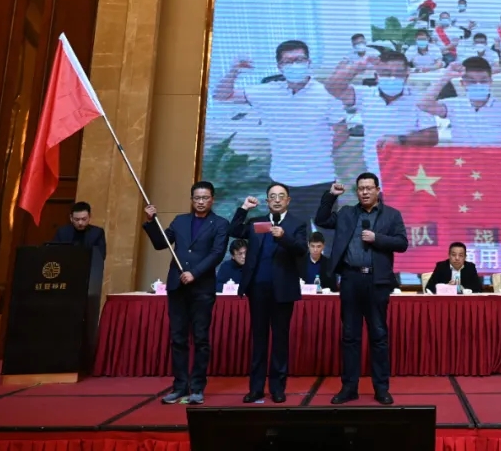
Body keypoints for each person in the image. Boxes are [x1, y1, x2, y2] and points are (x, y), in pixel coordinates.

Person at [213, 40, 348, 224]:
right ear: (280, 66)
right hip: (282, 180)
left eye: (299, 60)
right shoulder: (268, 92)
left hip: (320, 180)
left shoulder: (327, 94)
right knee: (286, 233)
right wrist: (234, 70)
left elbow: (342, 133)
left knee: (324, 235)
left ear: (309, 62)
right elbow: (222, 95)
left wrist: (317, 153)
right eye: (288, 61)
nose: (295, 65)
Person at [315, 174, 408, 405]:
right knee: (350, 336)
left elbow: (402, 243)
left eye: (369, 188)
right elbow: (321, 219)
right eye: (360, 189)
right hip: (350, 279)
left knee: (378, 335)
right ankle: (349, 388)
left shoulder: (392, 215)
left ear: (378, 189)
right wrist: (331, 196)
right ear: (356, 192)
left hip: (377, 281)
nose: (365, 192)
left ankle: (381, 389)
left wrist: (377, 238)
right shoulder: (346, 213)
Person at [143, 181, 228, 405]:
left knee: (200, 339)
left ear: (212, 199)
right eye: (197, 198)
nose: (201, 202)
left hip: (202, 288)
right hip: (177, 287)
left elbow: (217, 253)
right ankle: (179, 386)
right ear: (191, 200)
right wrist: (151, 221)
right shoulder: (180, 221)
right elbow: (161, 243)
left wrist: (194, 273)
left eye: (205, 198)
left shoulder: (220, 223)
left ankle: (197, 387)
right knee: (178, 338)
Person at [229, 184, 308, 403]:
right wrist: (244, 208)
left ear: (288, 200)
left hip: (283, 290)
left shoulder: (297, 224)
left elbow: (301, 249)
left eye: (281, 196)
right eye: (272, 196)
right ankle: (256, 388)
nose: (277, 200)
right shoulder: (257, 222)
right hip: (257, 289)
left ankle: (278, 388)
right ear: (267, 201)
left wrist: (283, 237)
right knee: (259, 340)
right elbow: (234, 231)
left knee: (280, 340)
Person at [325, 50, 438, 178]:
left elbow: (432, 137)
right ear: (376, 76)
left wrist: (400, 140)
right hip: (376, 170)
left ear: (406, 75)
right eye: (386, 73)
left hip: (412, 173)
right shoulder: (365, 95)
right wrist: (359, 65)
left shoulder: (420, 99)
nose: (392, 78)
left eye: (398, 74)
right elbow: (332, 87)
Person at [418, 57, 501, 146]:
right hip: (462, 162)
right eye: (472, 81)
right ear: (462, 83)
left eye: (483, 81)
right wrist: (446, 77)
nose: (478, 85)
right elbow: (423, 105)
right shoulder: (454, 105)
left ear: (490, 82)